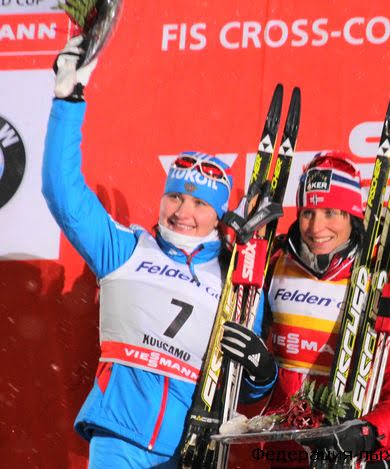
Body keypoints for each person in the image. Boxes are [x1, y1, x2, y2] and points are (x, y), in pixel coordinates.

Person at [42, 36, 275, 468]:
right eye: (175, 197)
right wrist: (68, 99)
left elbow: (241, 386)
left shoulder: (236, 280)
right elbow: (62, 192)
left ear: (219, 213)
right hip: (118, 438)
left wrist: (263, 374)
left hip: (191, 448)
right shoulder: (125, 250)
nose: (182, 212)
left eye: (200, 203)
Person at [221, 151, 390, 468]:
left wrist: (370, 432)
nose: (316, 227)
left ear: (352, 216)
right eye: (308, 212)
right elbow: (247, 384)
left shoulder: (387, 279)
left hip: (356, 455)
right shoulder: (274, 265)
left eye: (331, 212)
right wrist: (259, 376)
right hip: (285, 452)